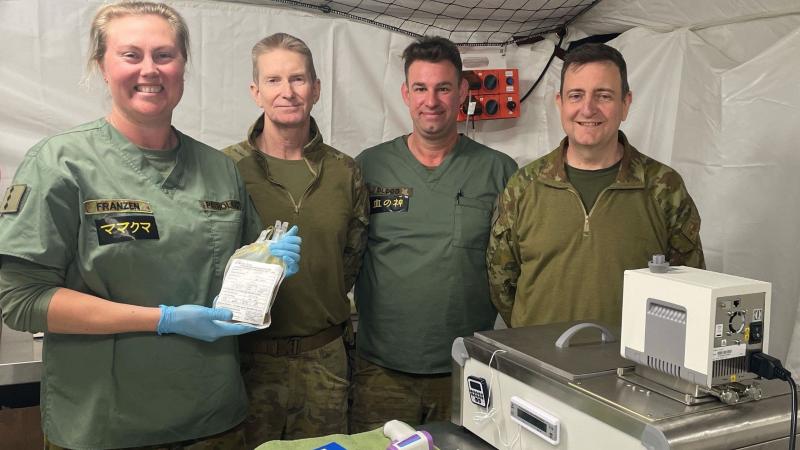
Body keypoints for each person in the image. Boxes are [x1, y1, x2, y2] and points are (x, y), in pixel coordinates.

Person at [0, 2, 301, 449]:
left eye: (164, 55)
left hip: (213, 419)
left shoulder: (220, 169)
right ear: (102, 65)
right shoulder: (60, 164)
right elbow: (21, 301)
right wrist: (164, 320)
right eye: (130, 55)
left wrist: (266, 266)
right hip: (105, 425)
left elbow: (234, 277)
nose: (150, 69)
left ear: (182, 65)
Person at [350, 36, 518, 432]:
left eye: (443, 88)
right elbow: (346, 253)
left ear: (462, 91)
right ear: (406, 94)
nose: (432, 100)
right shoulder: (369, 168)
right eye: (421, 88)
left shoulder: (499, 171)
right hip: (381, 371)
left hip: (466, 370)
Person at [487, 43, 705, 329]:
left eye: (603, 95)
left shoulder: (663, 187)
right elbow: (503, 283)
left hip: (629, 368)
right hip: (538, 365)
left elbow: (689, 286)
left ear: (625, 104)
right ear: (560, 102)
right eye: (576, 95)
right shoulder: (524, 185)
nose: (588, 108)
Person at [222, 33, 368, 443]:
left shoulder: (345, 172)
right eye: (273, 80)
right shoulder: (225, 169)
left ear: (316, 89)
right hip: (248, 362)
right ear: (256, 92)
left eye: (298, 79)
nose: (287, 92)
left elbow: (351, 261)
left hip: (324, 362)